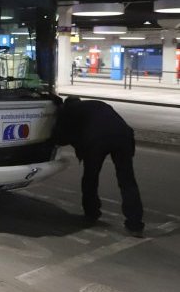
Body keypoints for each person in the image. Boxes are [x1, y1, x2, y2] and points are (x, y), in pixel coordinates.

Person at [54, 96, 144, 237]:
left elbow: (61, 136)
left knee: (90, 177)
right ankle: (135, 224)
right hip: (123, 135)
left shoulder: (68, 111)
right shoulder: (96, 104)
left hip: (96, 140)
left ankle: (92, 212)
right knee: (127, 180)